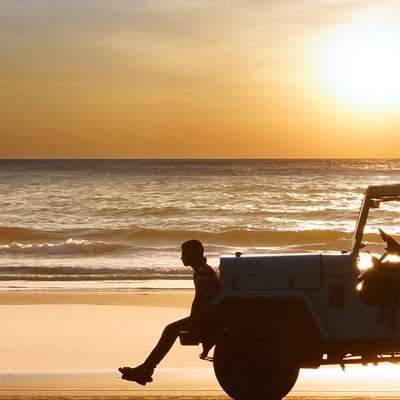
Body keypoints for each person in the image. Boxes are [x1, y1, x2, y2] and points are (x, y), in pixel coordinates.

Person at [118, 239, 221, 385]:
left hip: (208, 315)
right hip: (209, 313)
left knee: (170, 329)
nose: (181, 258)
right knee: (171, 329)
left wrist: (192, 322)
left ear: (194, 255)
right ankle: (146, 369)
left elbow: (198, 299)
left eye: (184, 254)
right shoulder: (204, 269)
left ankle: (146, 369)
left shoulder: (202, 273)